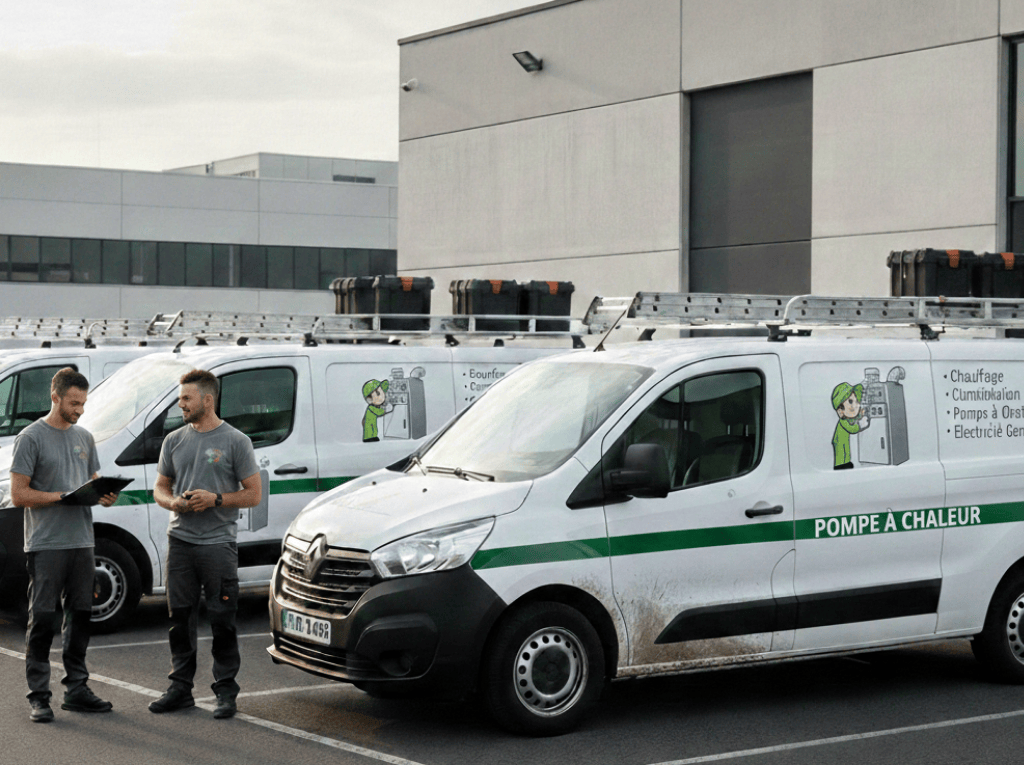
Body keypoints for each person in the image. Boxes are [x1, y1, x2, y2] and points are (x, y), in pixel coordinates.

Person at [10, 367, 120, 724]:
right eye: (74, 403)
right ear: (55, 396)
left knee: (80, 616)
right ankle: (39, 697)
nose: (80, 410)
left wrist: (104, 494)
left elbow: (92, 480)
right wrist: (61, 497)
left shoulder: (84, 437)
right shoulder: (30, 437)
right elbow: (19, 495)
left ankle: (76, 689)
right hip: (46, 543)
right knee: (43, 618)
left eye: (83, 403)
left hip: (82, 541)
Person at [149, 369, 260, 719]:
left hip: (218, 545)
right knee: (179, 619)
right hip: (180, 542)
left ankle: (225, 691)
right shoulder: (174, 440)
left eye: (187, 398)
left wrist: (216, 499)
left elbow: (254, 495)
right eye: (180, 397)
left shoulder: (236, 441)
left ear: (207, 400)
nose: (180, 404)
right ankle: (180, 688)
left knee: (222, 619)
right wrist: (174, 503)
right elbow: (160, 488)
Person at [831, 381, 870, 470]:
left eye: (856, 401)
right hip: (839, 444)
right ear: (840, 411)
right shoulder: (843, 421)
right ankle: (842, 465)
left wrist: (860, 415)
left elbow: (852, 420)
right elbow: (852, 429)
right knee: (842, 454)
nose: (856, 405)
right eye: (851, 401)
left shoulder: (846, 419)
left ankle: (846, 462)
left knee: (846, 451)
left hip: (844, 442)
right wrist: (861, 425)